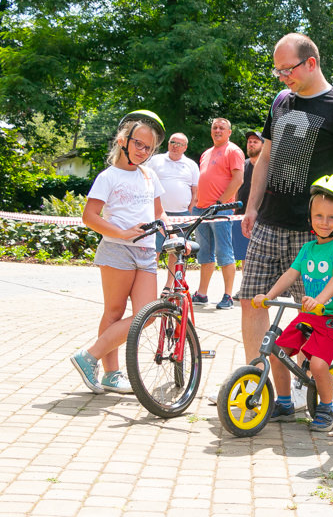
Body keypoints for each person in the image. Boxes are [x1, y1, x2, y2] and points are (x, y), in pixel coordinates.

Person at [237, 33, 333, 368]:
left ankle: (302, 385)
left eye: (287, 69)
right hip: (268, 223)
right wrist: (251, 207)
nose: (283, 77)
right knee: (252, 302)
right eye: (278, 72)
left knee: (312, 313)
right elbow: (264, 158)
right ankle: (255, 382)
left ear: (311, 63)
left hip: (313, 233)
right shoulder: (281, 101)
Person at [70, 110, 167, 394]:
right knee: (114, 312)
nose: (143, 152)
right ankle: (111, 374)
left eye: (148, 148)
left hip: (147, 253)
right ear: (124, 140)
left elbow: (160, 214)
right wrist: (122, 233)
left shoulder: (150, 175)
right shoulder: (108, 176)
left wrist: (173, 234)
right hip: (117, 250)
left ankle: (89, 356)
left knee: (146, 315)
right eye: (138, 144)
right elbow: (90, 216)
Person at [252, 175, 333, 432]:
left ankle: (327, 408)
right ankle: (285, 403)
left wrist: (320, 301)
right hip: (308, 314)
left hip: (332, 317)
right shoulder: (308, 248)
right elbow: (291, 274)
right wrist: (269, 295)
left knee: (319, 365)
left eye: (331, 218)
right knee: (277, 353)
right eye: (318, 216)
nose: (324, 222)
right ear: (310, 217)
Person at [191, 117, 245, 309]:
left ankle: (228, 296)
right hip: (202, 210)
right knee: (205, 254)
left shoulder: (233, 150)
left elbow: (238, 179)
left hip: (221, 209)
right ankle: (202, 294)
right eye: (215, 127)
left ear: (229, 132)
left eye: (222, 128)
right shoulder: (206, 153)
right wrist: (197, 202)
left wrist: (221, 203)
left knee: (224, 253)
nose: (218, 130)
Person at [148, 132, 200, 293]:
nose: (175, 146)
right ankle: (147, 286)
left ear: (185, 147)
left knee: (177, 251)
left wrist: (190, 208)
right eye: (173, 142)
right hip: (156, 215)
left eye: (179, 144)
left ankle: (169, 286)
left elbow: (195, 190)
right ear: (168, 144)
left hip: (181, 216)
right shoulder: (155, 161)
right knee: (152, 251)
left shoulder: (191, 165)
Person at [232, 131, 264, 263]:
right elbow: (235, 187)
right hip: (241, 215)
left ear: (263, 145)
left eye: (255, 142)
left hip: (261, 216)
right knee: (244, 256)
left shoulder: (266, 167)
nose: (251, 144)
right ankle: (245, 282)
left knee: (260, 256)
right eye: (249, 142)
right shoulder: (242, 165)